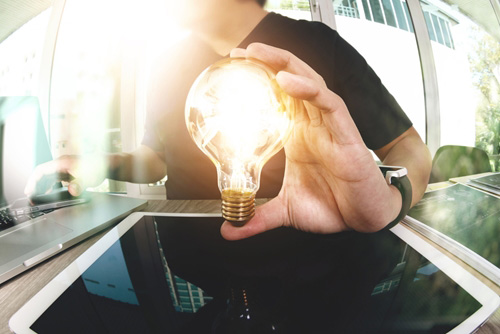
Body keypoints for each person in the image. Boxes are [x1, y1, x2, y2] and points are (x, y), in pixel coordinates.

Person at [24, 0, 431, 241]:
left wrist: (392, 199)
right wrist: (97, 164)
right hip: (188, 267)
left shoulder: (320, 45)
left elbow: (408, 148)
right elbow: (155, 158)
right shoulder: (167, 64)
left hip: (309, 263)